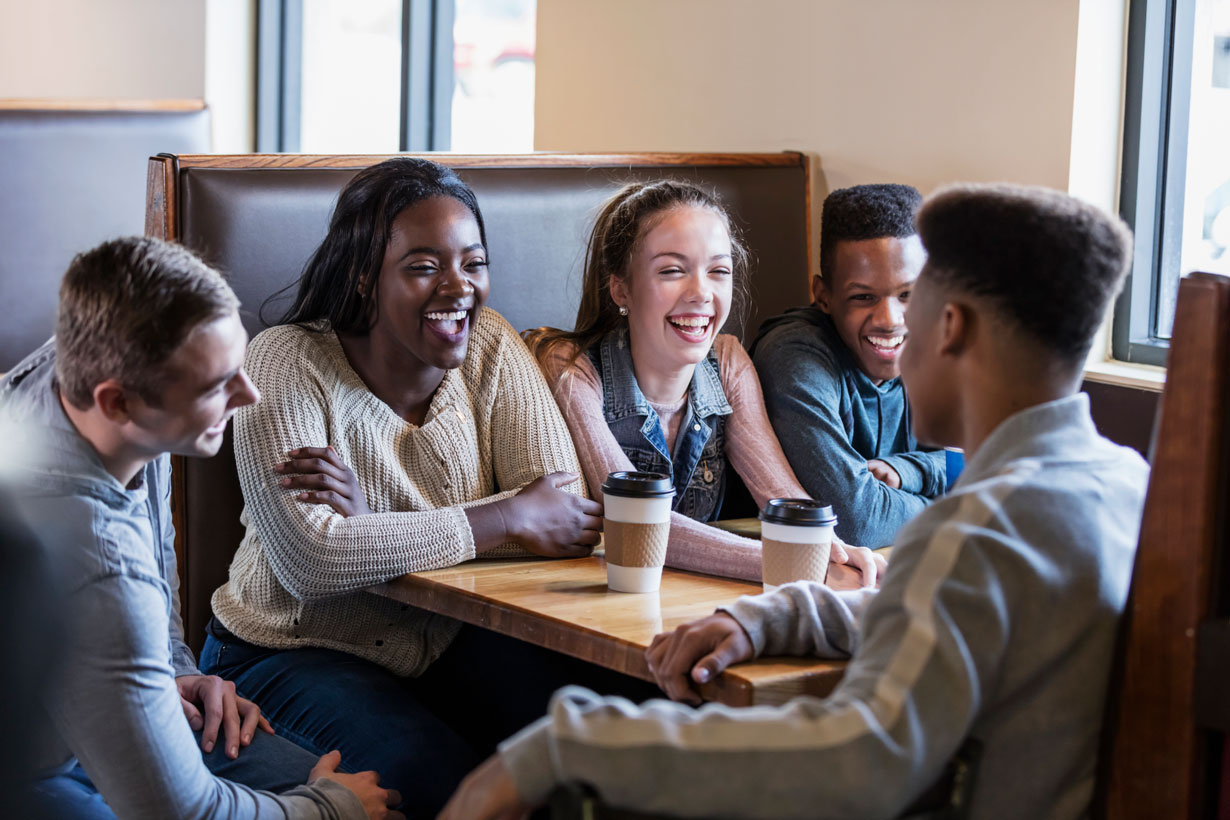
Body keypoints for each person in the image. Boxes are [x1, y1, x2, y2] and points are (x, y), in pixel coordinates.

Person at [439, 183, 1149, 820]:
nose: (897, 331)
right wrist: (776, 617)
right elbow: (949, 614)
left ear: (951, 327)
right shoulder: (1125, 485)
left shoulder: (974, 533)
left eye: (915, 303)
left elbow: (857, 765)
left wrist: (569, 747)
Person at [203, 157, 644, 819]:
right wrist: (505, 516)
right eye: (422, 266)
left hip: (444, 640)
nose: (458, 287)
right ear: (363, 276)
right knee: (441, 782)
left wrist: (371, 528)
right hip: (289, 650)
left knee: (615, 741)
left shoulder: (491, 345)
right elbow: (312, 564)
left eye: (472, 262)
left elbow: (566, 526)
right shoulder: (285, 362)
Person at [0, 237, 396, 820]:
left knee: (384, 789)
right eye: (218, 387)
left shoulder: (98, 381)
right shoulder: (94, 558)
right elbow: (182, 813)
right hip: (27, 772)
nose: (250, 395)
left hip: (83, 706)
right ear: (118, 403)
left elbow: (152, 569)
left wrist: (173, 669)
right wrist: (329, 810)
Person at [526, 180, 883, 586]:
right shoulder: (570, 366)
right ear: (620, 287)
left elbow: (781, 497)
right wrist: (801, 566)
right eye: (672, 271)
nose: (701, 292)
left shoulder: (728, 362)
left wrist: (833, 548)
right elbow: (641, 527)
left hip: (693, 603)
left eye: (718, 271)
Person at [751, 183, 944, 548]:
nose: (890, 319)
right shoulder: (794, 355)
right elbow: (855, 520)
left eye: (909, 294)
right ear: (823, 296)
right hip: (786, 578)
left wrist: (913, 469)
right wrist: (951, 508)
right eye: (863, 297)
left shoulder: (935, 338)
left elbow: (991, 473)